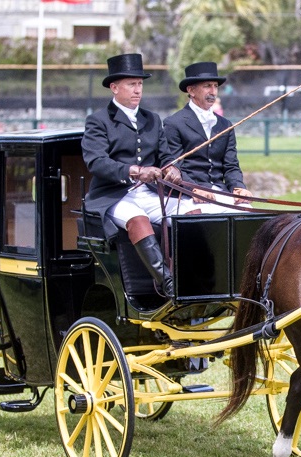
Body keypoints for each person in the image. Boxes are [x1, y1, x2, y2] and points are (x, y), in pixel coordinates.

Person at [81, 53, 183, 297]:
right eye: (131, 84)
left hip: (149, 194)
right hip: (113, 196)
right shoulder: (98, 121)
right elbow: (96, 162)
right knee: (137, 219)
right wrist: (135, 172)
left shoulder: (152, 119)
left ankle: (195, 276)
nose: (138, 90)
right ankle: (166, 282)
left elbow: (165, 155)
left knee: (190, 215)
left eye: (140, 84)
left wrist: (172, 168)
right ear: (114, 88)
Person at [163, 61, 252, 215]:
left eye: (215, 86)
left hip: (221, 192)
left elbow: (231, 165)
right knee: (202, 220)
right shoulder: (174, 123)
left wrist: (238, 188)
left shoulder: (225, 125)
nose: (213, 92)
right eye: (207, 86)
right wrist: (194, 189)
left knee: (249, 215)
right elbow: (174, 166)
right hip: (188, 195)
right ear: (191, 90)